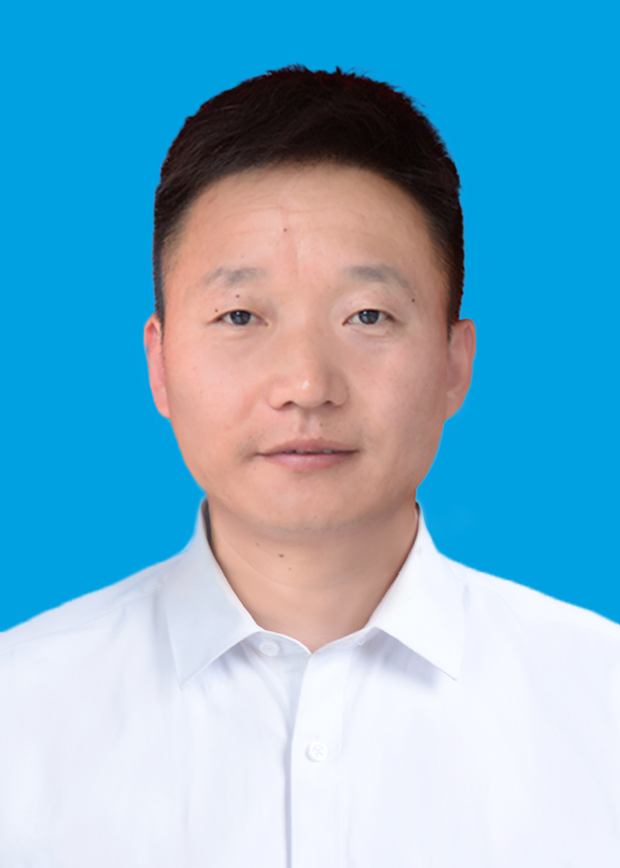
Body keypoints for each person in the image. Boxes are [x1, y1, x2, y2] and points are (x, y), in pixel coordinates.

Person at [1, 66, 619, 868]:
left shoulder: (600, 703)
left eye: (367, 315)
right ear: (159, 364)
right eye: (240, 315)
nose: (305, 385)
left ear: (454, 363)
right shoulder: (19, 711)